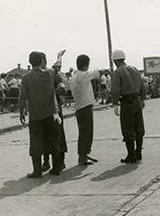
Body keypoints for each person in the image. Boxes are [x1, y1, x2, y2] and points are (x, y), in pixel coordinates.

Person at [19, 50, 65, 178]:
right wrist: (59, 56)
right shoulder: (49, 73)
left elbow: (22, 97)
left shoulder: (26, 77)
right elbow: (58, 65)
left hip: (35, 116)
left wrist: (21, 113)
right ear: (41, 61)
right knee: (53, 140)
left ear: (30, 62)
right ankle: (56, 168)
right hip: (51, 114)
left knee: (36, 143)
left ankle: (37, 171)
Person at [111, 49, 146, 164]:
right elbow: (142, 84)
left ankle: (131, 155)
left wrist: (115, 103)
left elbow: (116, 89)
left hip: (126, 102)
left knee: (128, 129)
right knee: (139, 128)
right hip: (137, 101)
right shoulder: (134, 69)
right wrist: (143, 99)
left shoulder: (117, 73)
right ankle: (138, 153)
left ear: (115, 61)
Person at [39, 52, 68, 172]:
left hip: (55, 109)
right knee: (43, 136)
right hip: (42, 110)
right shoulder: (35, 76)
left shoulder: (54, 74)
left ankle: (61, 161)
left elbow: (63, 90)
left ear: (44, 61)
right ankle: (46, 162)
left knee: (58, 135)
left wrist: (49, 91)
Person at [69, 54, 100, 165]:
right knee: (86, 132)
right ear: (86, 65)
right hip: (85, 106)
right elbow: (96, 73)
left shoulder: (73, 77)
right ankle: (82, 156)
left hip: (79, 107)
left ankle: (84, 154)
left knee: (83, 131)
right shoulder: (83, 75)